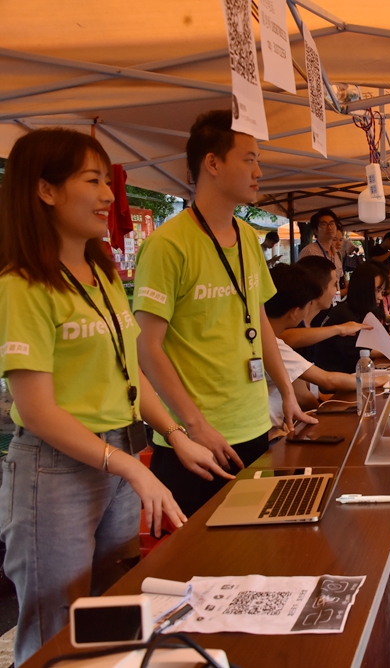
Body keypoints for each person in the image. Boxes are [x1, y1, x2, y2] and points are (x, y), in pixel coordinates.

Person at [0, 129, 230, 665]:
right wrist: (130, 467)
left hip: (119, 459)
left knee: (113, 610)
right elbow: (36, 410)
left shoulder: (101, 273)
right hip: (56, 473)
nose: (109, 195)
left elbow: (130, 374)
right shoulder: (21, 285)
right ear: (45, 190)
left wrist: (175, 434)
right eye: (93, 181)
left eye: (108, 181)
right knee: (55, 630)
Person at [133, 110, 314, 517]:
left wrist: (287, 392)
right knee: (196, 554)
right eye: (249, 159)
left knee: (252, 544)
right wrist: (194, 426)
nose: (259, 172)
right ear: (212, 163)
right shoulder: (167, 245)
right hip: (196, 441)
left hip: (256, 427)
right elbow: (146, 348)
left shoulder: (248, 237)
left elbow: (259, 322)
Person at [264, 264, 362, 435]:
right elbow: (327, 380)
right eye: (334, 285)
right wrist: (378, 381)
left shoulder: (273, 338)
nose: (337, 291)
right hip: (272, 432)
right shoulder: (274, 344)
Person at [312, 262, 390, 374]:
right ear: (364, 289)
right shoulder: (344, 315)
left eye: (382, 292)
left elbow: (381, 341)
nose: (381, 297)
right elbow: (370, 350)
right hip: (341, 381)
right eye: (378, 291)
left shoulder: (358, 311)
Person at [297, 208, 345, 286]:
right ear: (316, 231)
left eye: (332, 223)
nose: (329, 227)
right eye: (324, 224)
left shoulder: (337, 253)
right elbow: (301, 281)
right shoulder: (309, 252)